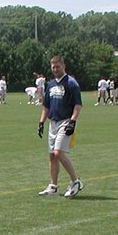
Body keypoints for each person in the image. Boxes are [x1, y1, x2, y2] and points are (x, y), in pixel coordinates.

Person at [36, 55, 84, 198]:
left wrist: (73, 121)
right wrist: (41, 122)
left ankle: (76, 181)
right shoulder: (50, 84)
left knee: (58, 152)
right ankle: (53, 186)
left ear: (64, 66)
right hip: (53, 122)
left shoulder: (71, 83)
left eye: (58, 66)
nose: (55, 69)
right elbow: (46, 106)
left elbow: (77, 104)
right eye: (53, 67)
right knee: (52, 156)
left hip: (66, 121)